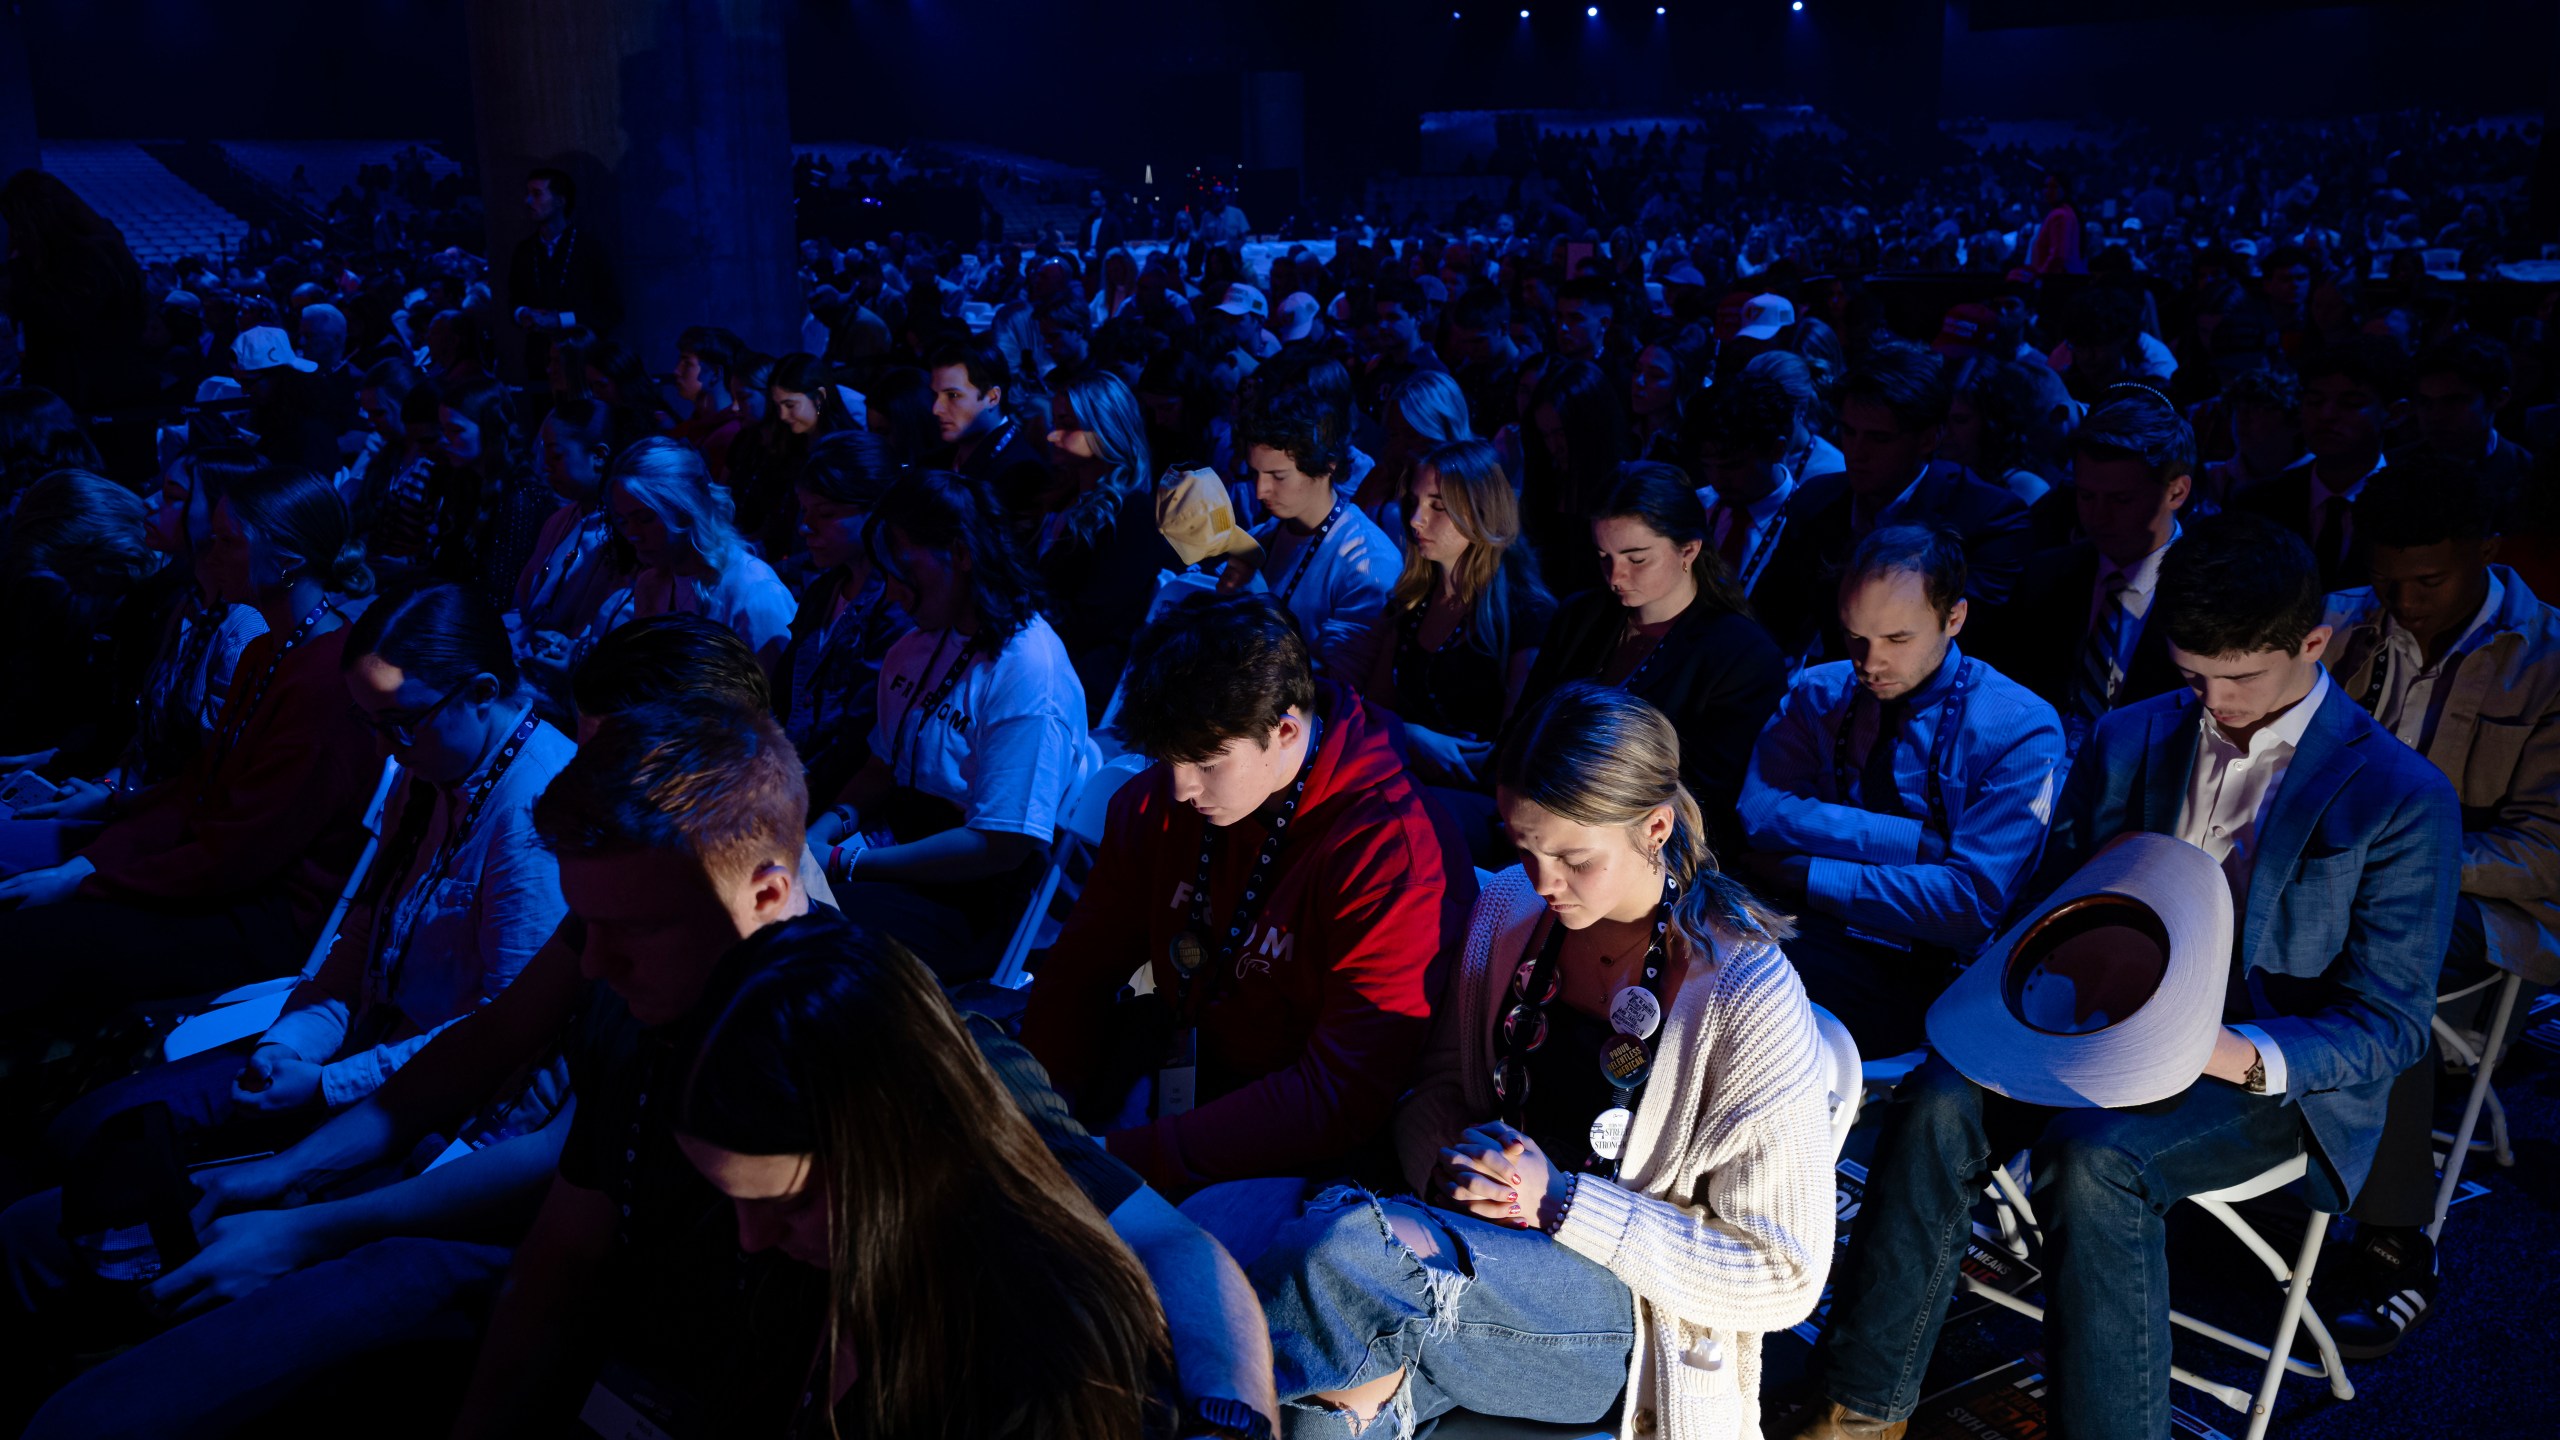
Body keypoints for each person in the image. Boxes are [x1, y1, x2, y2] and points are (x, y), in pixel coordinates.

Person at [1792, 513, 2459, 1440]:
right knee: (1938, 1100)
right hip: (2100, 1014)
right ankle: (1859, 1407)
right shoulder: (2133, 734)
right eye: (2194, 676)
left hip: (2258, 1065)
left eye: (2241, 677)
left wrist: (2222, 1048)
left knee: (2095, 1159)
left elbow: (2389, 1025)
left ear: (2315, 643)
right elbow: (2048, 901)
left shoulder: (2399, 794)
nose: (2216, 702)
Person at [452, 700, 1275, 1437]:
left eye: (635, 928)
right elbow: (562, 1261)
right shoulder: (640, 1021)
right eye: (586, 927)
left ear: (770, 894)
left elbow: (1171, 1246)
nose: (594, 965)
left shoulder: (915, 1064)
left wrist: (1228, 1423)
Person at [1255, 681, 1833, 1438]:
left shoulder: (1746, 994)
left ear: (1655, 828)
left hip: (1629, 1327)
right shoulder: (1507, 911)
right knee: (1333, 1392)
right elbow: (1432, 1095)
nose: (1544, 881)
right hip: (1469, 1270)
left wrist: (1560, 1203)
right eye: (1524, 848)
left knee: (1343, 1259)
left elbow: (1783, 1277)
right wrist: (1455, 1169)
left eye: (1574, 858)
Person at [1019, 593, 1474, 1222]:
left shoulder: (1392, 853)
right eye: (1168, 760)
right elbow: (1079, 972)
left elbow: (1337, 1097)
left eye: (1206, 764)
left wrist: (1110, 1159)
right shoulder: (1164, 800)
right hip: (1179, 1076)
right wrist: (1044, 1113)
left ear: (1285, 730)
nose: (1180, 788)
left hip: (1309, 1153)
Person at [671, 915, 1181, 1437]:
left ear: (910, 1146)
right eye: (734, 1199)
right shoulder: (817, 1257)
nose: (751, 1239)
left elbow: (1180, 1243)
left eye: (793, 1202)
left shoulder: (1038, 1374)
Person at [2311, 458, 2560, 1358]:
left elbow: (2548, 850)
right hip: (2325, 880)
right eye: (2390, 578)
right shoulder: (2338, 622)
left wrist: (2406, 864)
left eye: (2431, 579)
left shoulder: (2549, 659)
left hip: (2484, 909)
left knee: (2385, 946)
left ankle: (2395, 1240)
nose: (2406, 601)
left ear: (2486, 551)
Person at [0, 465, 378, 1044]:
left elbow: (240, 853)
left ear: (287, 560)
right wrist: (87, 864)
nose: (210, 550)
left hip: (262, 916)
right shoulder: (266, 651)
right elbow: (195, 791)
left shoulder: (327, 684)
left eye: (228, 540)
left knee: (33, 940)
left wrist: (85, 882)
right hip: (219, 877)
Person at [1736, 526, 2065, 1056]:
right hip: (1809, 928)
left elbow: (1967, 905)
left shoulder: (2019, 728)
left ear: (1954, 618)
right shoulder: (1817, 691)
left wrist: (1806, 871)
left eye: (1897, 639)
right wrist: (1904, 839)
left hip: (1928, 967)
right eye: (1855, 636)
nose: (1869, 662)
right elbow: (1760, 813)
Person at [803, 469, 1095, 976]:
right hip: (895, 852)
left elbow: (998, 846)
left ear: (961, 555)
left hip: (971, 897)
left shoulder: (1029, 670)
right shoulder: (914, 644)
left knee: (805, 928)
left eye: (901, 570)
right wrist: (820, 833)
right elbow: (880, 766)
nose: (891, 593)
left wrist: (846, 864)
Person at [1517, 464, 1786, 851]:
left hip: (1650, 848)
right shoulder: (1580, 616)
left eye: (1636, 558)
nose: (1615, 576)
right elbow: (1527, 724)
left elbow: (1705, 798)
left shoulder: (1741, 655)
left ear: (1688, 551)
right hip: (1538, 818)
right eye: (1604, 556)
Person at [1753, 345, 2031, 666]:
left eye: (1879, 438)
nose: (1856, 452)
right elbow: (1770, 620)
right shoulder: (1817, 501)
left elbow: (1958, 640)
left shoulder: (1986, 517)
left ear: (1928, 439)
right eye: (1849, 432)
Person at [1970, 386, 2195, 761]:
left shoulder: (2214, 592)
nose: (2097, 516)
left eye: (2121, 500)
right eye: (2086, 496)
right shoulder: (2046, 576)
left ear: (2177, 492)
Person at [1367, 438, 1553, 859]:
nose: (1416, 519)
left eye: (1437, 506)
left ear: (1481, 511)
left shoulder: (1526, 611)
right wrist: (1411, 737)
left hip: (1481, 803)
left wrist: (1417, 743)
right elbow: (1375, 711)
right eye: (1414, 502)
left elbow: (1514, 748)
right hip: (1402, 777)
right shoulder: (1410, 601)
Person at [772, 430, 910, 811]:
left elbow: (858, 739)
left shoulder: (897, 609)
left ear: (877, 511)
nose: (806, 527)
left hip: (843, 804)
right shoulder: (823, 591)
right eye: (804, 511)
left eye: (827, 514)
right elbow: (783, 701)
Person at [1040, 371, 1181, 718]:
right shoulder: (1066, 496)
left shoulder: (1132, 514)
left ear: (1106, 430)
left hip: (1077, 683)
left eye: (1067, 424)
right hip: (1047, 656)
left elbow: (1091, 621)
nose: (1052, 434)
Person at [587, 437, 797, 669]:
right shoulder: (651, 586)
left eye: (645, 518)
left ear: (687, 509)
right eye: (622, 521)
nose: (632, 534)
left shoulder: (754, 593)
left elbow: (776, 700)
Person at [1239, 387, 1399, 684]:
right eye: (1255, 474)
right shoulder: (1265, 535)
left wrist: (1259, 607)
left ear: (1328, 465)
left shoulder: (1368, 563)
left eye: (1278, 476)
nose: (1260, 491)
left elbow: (1343, 689)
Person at [2238, 337, 2405, 591]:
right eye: (2315, 401)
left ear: (2393, 415)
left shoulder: (2412, 504)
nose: (2327, 415)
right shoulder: (2258, 505)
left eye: (2351, 403)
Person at [507, 397, 627, 704]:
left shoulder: (623, 535)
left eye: (557, 455)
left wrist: (570, 651)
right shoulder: (560, 519)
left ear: (598, 457)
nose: (546, 464)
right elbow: (524, 602)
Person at [1687, 368, 1800, 600]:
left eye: (1732, 466)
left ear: (1776, 450)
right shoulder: (1697, 506)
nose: (1717, 479)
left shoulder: (1804, 524)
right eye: (1709, 465)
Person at [1519, 357, 1628, 596]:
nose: (1553, 447)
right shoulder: (1547, 481)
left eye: (1561, 433)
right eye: (1546, 435)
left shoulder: (1622, 492)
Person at [2402, 333, 2536, 521]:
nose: (2435, 416)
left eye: (2454, 401)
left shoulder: (2530, 477)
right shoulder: (2396, 468)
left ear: (2499, 399)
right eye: (2425, 402)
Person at [927, 334, 1052, 530]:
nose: (936, 409)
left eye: (953, 395)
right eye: (935, 395)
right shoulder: (937, 460)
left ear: (992, 398)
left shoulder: (1023, 473)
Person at [505, 168, 620, 380]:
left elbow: (611, 310)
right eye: (528, 193)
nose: (528, 200)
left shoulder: (589, 248)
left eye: (537, 193)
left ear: (560, 201)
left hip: (583, 360)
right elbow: (512, 300)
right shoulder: (524, 250)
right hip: (539, 362)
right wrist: (523, 313)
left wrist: (560, 320)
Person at [669, 325, 749, 480]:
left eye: (687, 364)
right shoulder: (687, 429)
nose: (676, 371)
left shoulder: (731, 434)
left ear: (715, 373)